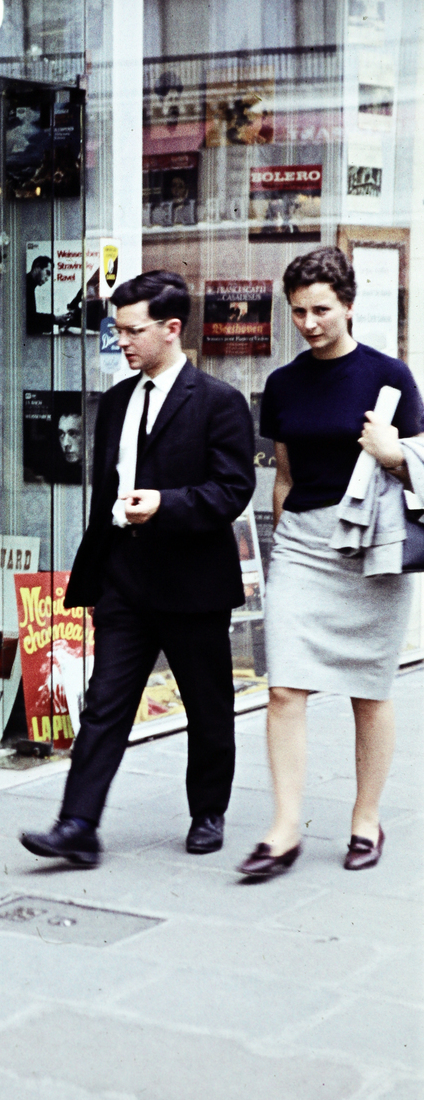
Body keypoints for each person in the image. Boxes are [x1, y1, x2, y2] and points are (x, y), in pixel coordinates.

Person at [19, 270, 255, 867]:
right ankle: (77, 825)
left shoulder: (220, 403)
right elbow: (109, 489)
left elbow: (232, 491)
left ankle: (208, 811)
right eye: (115, 328)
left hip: (193, 580)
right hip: (126, 577)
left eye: (131, 329)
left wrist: (166, 504)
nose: (120, 341)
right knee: (105, 704)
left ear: (171, 329)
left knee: (207, 705)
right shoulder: (119, 400)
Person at [238, 247, 424, 879]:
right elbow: (284, 476)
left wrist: (394, 452)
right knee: (285, 687)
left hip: (372, 548)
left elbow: (416, 470)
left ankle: (365, 819)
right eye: (299, 311)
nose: (310, 322)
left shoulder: (391, 376)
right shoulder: (283, 384)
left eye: (321, 309)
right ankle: (285, 828)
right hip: (303, 545)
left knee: (369, 692)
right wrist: (282, 546)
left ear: (349, 304)